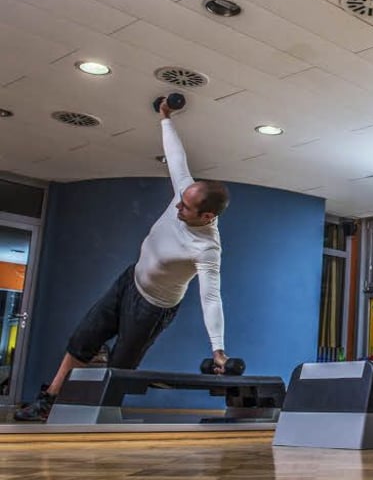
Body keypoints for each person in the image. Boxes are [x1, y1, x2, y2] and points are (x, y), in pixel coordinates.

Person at [15, 100, 231, 421]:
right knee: (82, 339)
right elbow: (176, 157)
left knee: (121, 366)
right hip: (129, 280)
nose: (177, 207)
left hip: (154, 307)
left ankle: (100, 415)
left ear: (208, 215)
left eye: (185, 208)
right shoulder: (184, 193)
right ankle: (47, 401)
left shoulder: (207, 248)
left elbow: (210, 297)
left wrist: (217, 348)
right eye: (181, 201)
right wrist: (166, 119)